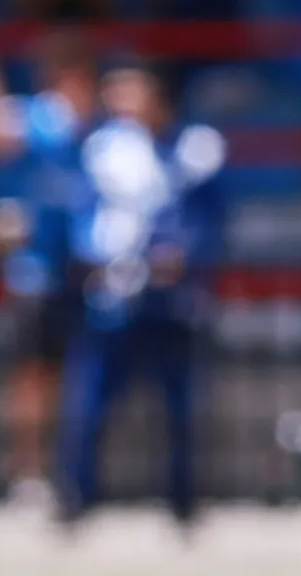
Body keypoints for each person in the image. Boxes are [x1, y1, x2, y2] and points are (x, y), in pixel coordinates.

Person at [56, 64, 226, 528]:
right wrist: (91, 257)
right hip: (111, 297)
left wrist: (182, 254)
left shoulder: (196, 150)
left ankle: (182, 499)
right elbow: (83, 215)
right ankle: (77, 496)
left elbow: (207, 218)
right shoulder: (103, 150)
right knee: (89, 400)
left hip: (172, 302)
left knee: (178, 405)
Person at [0, 34, 101, 510]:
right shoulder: (45, 119)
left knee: (77, 378)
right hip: (39, 275)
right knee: (35, 377)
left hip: (87, 274)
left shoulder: (97, 133)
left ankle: (72, 471)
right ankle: (28, 470)